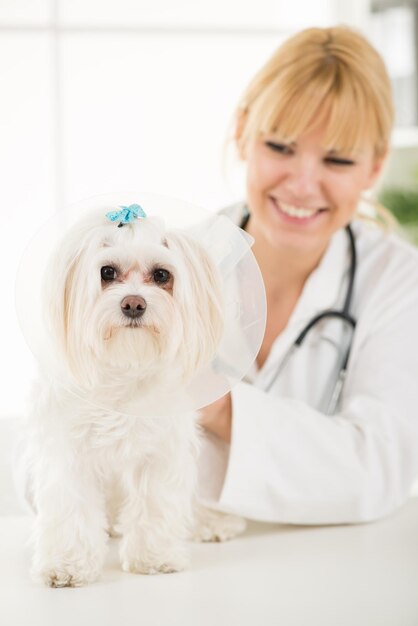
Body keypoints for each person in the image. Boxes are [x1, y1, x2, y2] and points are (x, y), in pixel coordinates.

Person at [197, 25, 418, 525]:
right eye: (280, 146)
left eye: (338, 159)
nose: (301, 184)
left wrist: (217, 411)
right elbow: (58, 457)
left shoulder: (398, 281)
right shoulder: (161, 266)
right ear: (242, 134)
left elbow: (379, 469)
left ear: (375, 167)